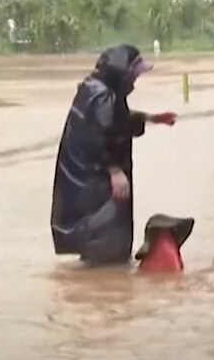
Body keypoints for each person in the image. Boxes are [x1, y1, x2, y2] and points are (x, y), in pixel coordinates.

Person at [50, 44, 177, 266]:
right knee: (107, 248)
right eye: (133, 77)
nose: (134, 84)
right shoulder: (102, 96)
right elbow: (100, 134)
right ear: (122, 73)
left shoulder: (96, 88)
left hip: (86, 181)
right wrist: (114, 170)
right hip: (95, 184)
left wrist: (151, 118)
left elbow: (114, 121)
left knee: (98, 244)